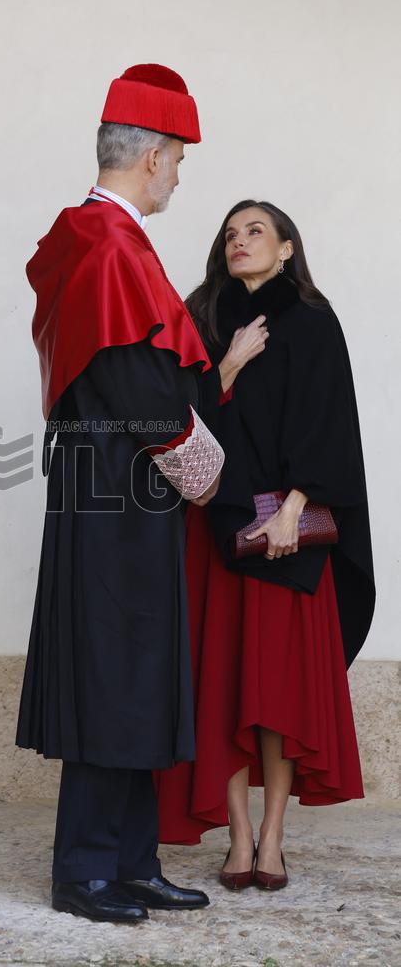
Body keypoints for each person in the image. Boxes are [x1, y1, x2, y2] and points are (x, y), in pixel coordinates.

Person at [16, 65, 227, 923]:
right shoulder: (111, 244)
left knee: (135, 667)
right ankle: (87, 871)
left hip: (110, 486)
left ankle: (131, 859)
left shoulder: (90, 237)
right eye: (177, 158)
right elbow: (140, 388)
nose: (179, 174)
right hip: (121, 490)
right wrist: (209, 473)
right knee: (115, 668)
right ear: (153, 155)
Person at [154, 200, 376, 891]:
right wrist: (228, 363)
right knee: (223, 688)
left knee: (276, 697)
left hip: (291, 534)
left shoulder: (312, 321)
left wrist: (295, 509)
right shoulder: (202, 319)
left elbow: (330, 420)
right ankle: (239, 840)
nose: (240, 242)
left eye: (256, 232)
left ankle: (273, 839)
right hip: (219, 529)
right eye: (231, 234)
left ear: (286, 249)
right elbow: (176, 417)